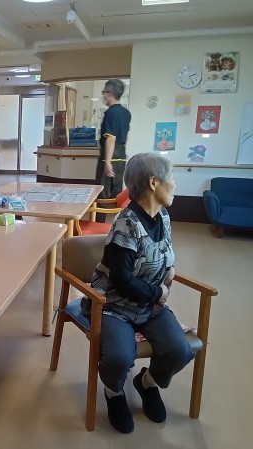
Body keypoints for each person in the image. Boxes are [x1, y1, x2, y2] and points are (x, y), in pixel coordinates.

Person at [82, 152, 194, 434]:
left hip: (149, 307)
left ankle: (147, 383)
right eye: (171, 178)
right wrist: (158, 293)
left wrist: (170, 270)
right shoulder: (126, 224)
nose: (175, 184)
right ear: (154, 183)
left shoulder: (163, 216)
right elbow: (121, 279)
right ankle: (113, 392)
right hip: (114, 306)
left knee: (180, 350)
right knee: (119, 358)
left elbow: (164, 254)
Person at [96, 79, 131, 222]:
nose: (103, 95)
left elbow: (111, 138)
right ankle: (119, 224)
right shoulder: (126, 113)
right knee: (117, 195)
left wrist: (107, 162)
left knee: (102, 196)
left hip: (110, 156)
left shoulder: (110, 113)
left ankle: (98, 226)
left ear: (109, 93)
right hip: (121, 157)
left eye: (104, 92)